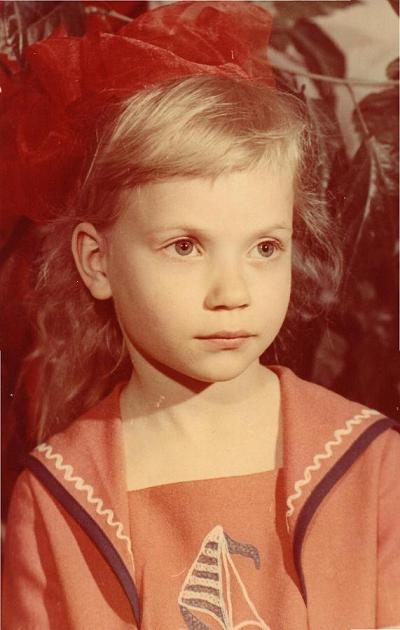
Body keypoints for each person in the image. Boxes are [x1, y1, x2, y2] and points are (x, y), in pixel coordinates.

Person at [2, 2, 399, 629]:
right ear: (97, 262)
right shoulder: (57, 499)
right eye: (185, 246)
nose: (232, 292)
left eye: (264, 248)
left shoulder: (372, 466)